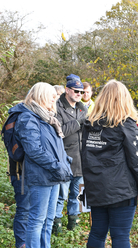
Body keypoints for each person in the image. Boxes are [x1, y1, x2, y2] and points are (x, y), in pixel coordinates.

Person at [81, 80, 138, 248]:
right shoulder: (125, 124)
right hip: (120, 189)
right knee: (120, 235)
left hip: (97, 186)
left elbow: (85, 156)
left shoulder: (89, 124)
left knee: (98, 230)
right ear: (124, 99)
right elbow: (137, 160)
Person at [12, 82, 72, 248]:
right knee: (37, 219)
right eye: (51, 96)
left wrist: (65, 162)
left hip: (54, 175)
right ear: (40, 96)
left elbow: (55, 147)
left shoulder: (47, 118)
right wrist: (56, 166)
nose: (55, 99)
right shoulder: (28, 118)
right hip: (40, 176)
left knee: (49, 218)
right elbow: (34, 150)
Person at [53, 74, 88, 235]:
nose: (79, 94)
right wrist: (78, 123)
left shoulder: (83, 108)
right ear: (67, 90)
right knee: (61, 196)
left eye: (81, 92)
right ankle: (56, 225)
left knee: (77, 195)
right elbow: (61, 132)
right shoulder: (57, 107)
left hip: (81, 160)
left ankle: (73, 224)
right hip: (64, 158)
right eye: (76, 91)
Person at [7, 157, 30, 248]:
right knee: (24, 210)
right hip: (20, 173)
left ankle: (28, 244)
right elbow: (18, 154)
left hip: (31, 174)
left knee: (29, 211)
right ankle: (21, 246)